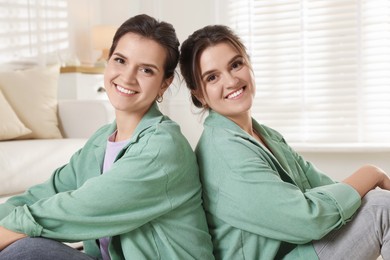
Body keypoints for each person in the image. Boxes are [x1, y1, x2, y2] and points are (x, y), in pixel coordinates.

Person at [0, 14, 214, 260]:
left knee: (25, 252)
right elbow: (47, 193)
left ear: (164, 84)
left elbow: (79, 208)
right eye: (120, 60)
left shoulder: (162, 148)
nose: (127, 77)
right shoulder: (102, 140)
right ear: (108, 61)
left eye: (146, 70)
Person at [179, 24, 390, 260]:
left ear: (248, 63)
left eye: (236, 64)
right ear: (199, 94)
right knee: (381, 209)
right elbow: (308, 220)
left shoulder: (264, 134)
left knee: (374, 203)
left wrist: (367, 186)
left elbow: (328, 190)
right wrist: (373, 173)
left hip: (303, 250)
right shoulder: (223, 152)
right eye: (212, 77)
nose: (231, 81)